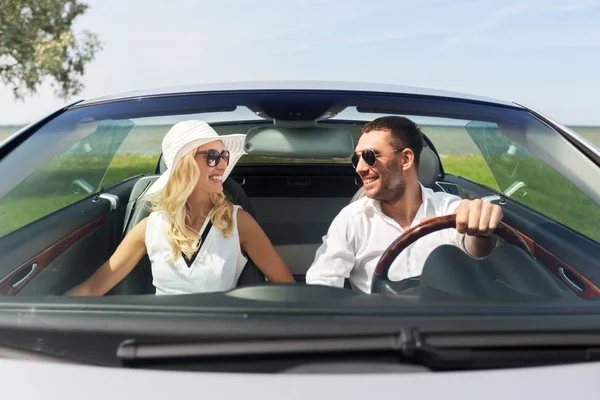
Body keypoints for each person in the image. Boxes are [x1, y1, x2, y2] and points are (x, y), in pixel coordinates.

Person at [67, 120, 295, 296]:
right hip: (159, 343)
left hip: (220, 343)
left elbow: (286, 289)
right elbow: (92, 289)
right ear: (184, 164)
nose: (224, 164)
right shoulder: (150, 227)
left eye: (224, 155)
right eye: (212, 156)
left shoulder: (239, 223)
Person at [305, 116, 502, 294]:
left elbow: (475, 248)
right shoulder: (352, 219)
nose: (360, 168)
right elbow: (322, 286)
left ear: (406, 159)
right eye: (356, 159)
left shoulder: (448, 209)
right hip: (380, 328)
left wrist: (481, 228)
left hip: (446, 326)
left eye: (370, 156)